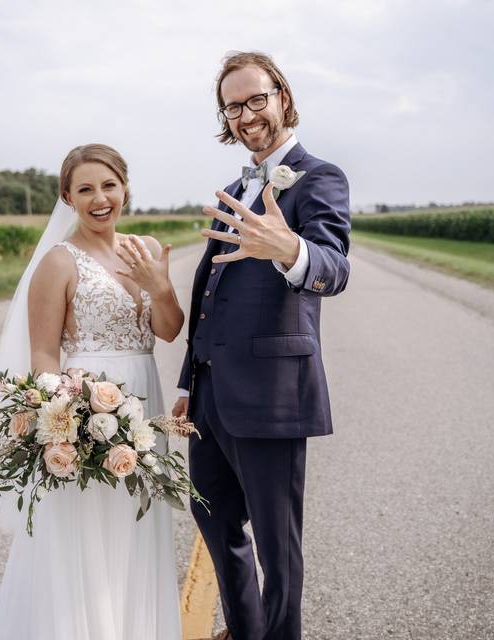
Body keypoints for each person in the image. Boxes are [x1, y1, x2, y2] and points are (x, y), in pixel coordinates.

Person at [172, 51, 351, 640]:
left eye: (256, 99)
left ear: (281, 96)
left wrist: (289, 250)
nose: (246, 113)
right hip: (211, 395)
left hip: (273, 395)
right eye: (233, 105)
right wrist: (188, 383)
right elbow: (210, 295)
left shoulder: (318, 178)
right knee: (212, 514)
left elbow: (334, 265)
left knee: (278, 543)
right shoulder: (233, 188)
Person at [0, 143, 185, 639]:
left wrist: (158, 287)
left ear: (124, 188)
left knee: (134, 526)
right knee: (86, 533)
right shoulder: (58, 262)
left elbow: (168, 329)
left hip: (143, 405)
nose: (100, 198)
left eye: (109, 185)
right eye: (86, 189)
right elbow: (43, 358)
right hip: (83, 411)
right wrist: (63, 426)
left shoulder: (145, 247)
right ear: (67, 197)